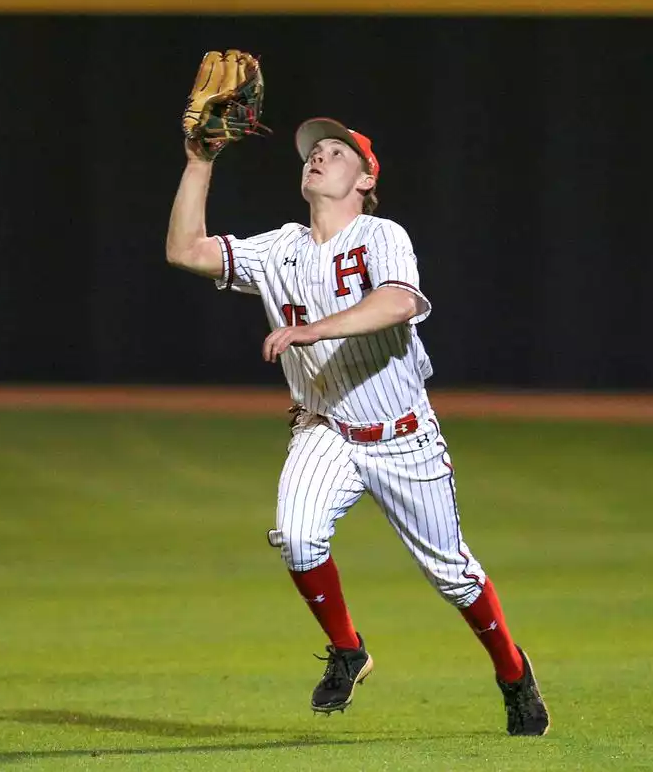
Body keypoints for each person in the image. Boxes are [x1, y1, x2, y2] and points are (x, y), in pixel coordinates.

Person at [164, 116, 550, 737]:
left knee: (453, 572)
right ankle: (348, 649)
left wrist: (310, 330)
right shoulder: (279, 248)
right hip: (327, 429)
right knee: (295, 536)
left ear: (366, 178)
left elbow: (398, 301)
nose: (318, 156)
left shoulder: (380, 235)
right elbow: (185, 250)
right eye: (313, 152)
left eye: (336, 151)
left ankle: (512, 673)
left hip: (403, 436)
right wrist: (199, 161)